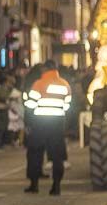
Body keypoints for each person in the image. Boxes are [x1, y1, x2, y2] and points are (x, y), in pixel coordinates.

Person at [24, 61, 73, 195]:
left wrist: (28, 122)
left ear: (45, 69)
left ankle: (34, 185)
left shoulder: (39, 84)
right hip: (57, 123)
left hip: (39, 123)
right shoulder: (64, 84)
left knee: (35, 153)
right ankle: (56, 185)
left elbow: (30, 105)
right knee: (57, 155)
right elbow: (67, 106)